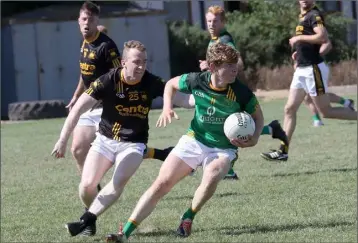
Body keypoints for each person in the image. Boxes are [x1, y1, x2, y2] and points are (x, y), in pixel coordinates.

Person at [105, 43, 265, 242]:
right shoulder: (196, 80)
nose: (235, 70)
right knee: (161, 184)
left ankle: (189, 215)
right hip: (195, 139)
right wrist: (166, 107)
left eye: (235, 65)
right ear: (214, 67)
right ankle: (125, 233)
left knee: (212, 174)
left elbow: (258, 117)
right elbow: (170, 84)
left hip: (224, 148)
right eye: (229, 66)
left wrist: (255, 138)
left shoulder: (241, 92)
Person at [52, 40, 195, 237]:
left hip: (134, 145)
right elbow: (77, 109)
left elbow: (184, 100)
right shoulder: (108, 81)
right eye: (136, 62)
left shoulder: (150, 82)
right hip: (104, 140)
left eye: (144, 62)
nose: (141, 66)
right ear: (123, 62)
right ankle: (91, 218)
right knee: (86, 186)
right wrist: (62, 139)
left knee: (116, 183)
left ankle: (86, 220)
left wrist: (208, 95)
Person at [68, 1, 176, 191]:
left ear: (97, 21)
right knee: (77, 149)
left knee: (123, 144)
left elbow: (119, 73)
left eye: (90, 20)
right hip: (90, 102)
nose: (86, 23)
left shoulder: (108, 47)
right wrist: (77, 95)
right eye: (84, 19)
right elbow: (84, 72)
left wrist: (116, 97)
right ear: (78, 21)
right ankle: (92, 188)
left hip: (107, 105)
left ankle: (161, 154)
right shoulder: (83, 43)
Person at [199, 5, 288, 179]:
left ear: (223, 22)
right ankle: (271, 129)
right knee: (229, 127)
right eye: (208, 21)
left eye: (215, 21)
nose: (211, 24)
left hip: (231, 89)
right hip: (222, 88)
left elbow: (238, 63)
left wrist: (216, 67)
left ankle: (229, 171)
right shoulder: (214, 39)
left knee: (228, 128)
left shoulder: (224, 39)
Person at [261, 0, 357, 161]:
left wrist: (299, 39)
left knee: (325, 112)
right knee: (289, 109)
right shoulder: (303, 16)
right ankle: (283, 151)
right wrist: (299, 53)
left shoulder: (314, 15)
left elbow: (322, 36)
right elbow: (310, 41)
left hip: (313, 69)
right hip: (301, 69)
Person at [300, 40, 355, 127]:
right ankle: (346, 103)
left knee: (315, 96)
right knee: (308, 97)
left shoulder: (313, 29)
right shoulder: (298, 34)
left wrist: (316, 56)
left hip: (315, 68)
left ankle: (346, 103)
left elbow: (327, 43)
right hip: (303, 69)